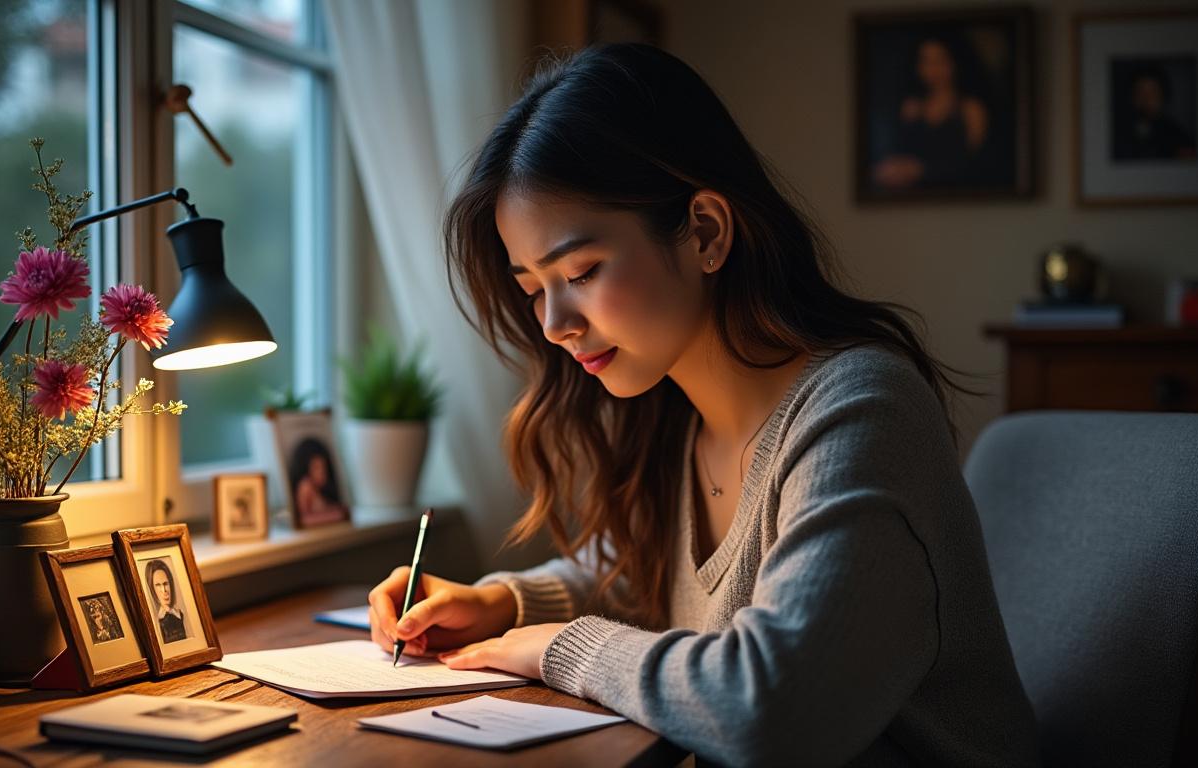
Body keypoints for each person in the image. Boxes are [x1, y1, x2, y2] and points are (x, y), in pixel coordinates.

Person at [368, 44, 1038, 765]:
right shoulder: (674, 413)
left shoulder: (862, 408)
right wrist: (502, 603)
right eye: (533, 287)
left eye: (581, 271)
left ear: (707, 233)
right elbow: (634, 568)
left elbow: (772, 708)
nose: (553, 324)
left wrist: (560, 647)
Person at [873, 34, 995, 190]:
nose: (933, 69)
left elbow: (976, 164)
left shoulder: (970, 108)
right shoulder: (911, 108)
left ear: (954, 62)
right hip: (911, 200)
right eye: (926, 62)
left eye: (940, 61)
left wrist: (921, 170)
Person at [289, 438, 349, 526]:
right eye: (316, 468)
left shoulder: (320, 489)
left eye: (324, 468)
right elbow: (303, 519)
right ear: (306, 468)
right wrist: (335, 515)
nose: (321, 473)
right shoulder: (305, 486)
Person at [145, 559, 186, 644]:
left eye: (165, 584)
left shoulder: (181, 614)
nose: (164, 590)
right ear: (152, 589)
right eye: (158, 585)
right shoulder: (157, 622)